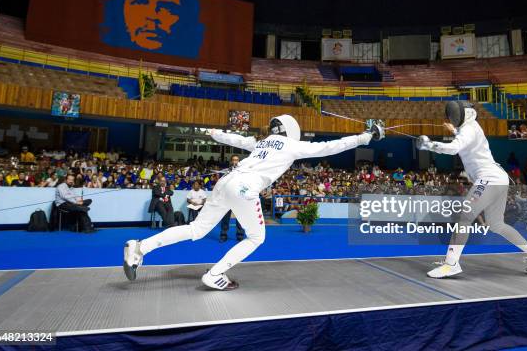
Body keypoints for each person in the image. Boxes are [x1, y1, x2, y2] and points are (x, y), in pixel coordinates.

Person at [124, 114, 384, 290]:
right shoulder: (292, 146)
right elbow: (329, 147)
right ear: (291, 130)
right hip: (244, 187)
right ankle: (215, 275)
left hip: (226, 181)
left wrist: (213, 132)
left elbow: (233, 139)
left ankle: (139, 247)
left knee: (196, 229)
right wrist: (364, 137)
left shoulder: (261, 142)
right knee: (256, 237)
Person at [417, 100, 527, 278]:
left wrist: (429, 145)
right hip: (499, 178)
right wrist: (454, 130)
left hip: (489, 179)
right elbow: (464, 139)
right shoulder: (470, 127)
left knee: (465, 216)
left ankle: (451, 264)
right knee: (497, 225)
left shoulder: (469, 129)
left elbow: (455, 148)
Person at [219, 155, 245, 242]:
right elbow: (222, 183)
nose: (235, 161)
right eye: (234, 160)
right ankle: (223, 234)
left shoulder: (243, 172)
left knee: (240, 217)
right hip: (228, 197)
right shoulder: (227, 171)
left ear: (239, 161)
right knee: (225, 218)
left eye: (237, 160)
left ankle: (240, 235)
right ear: (231, 161)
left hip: (238, 198)